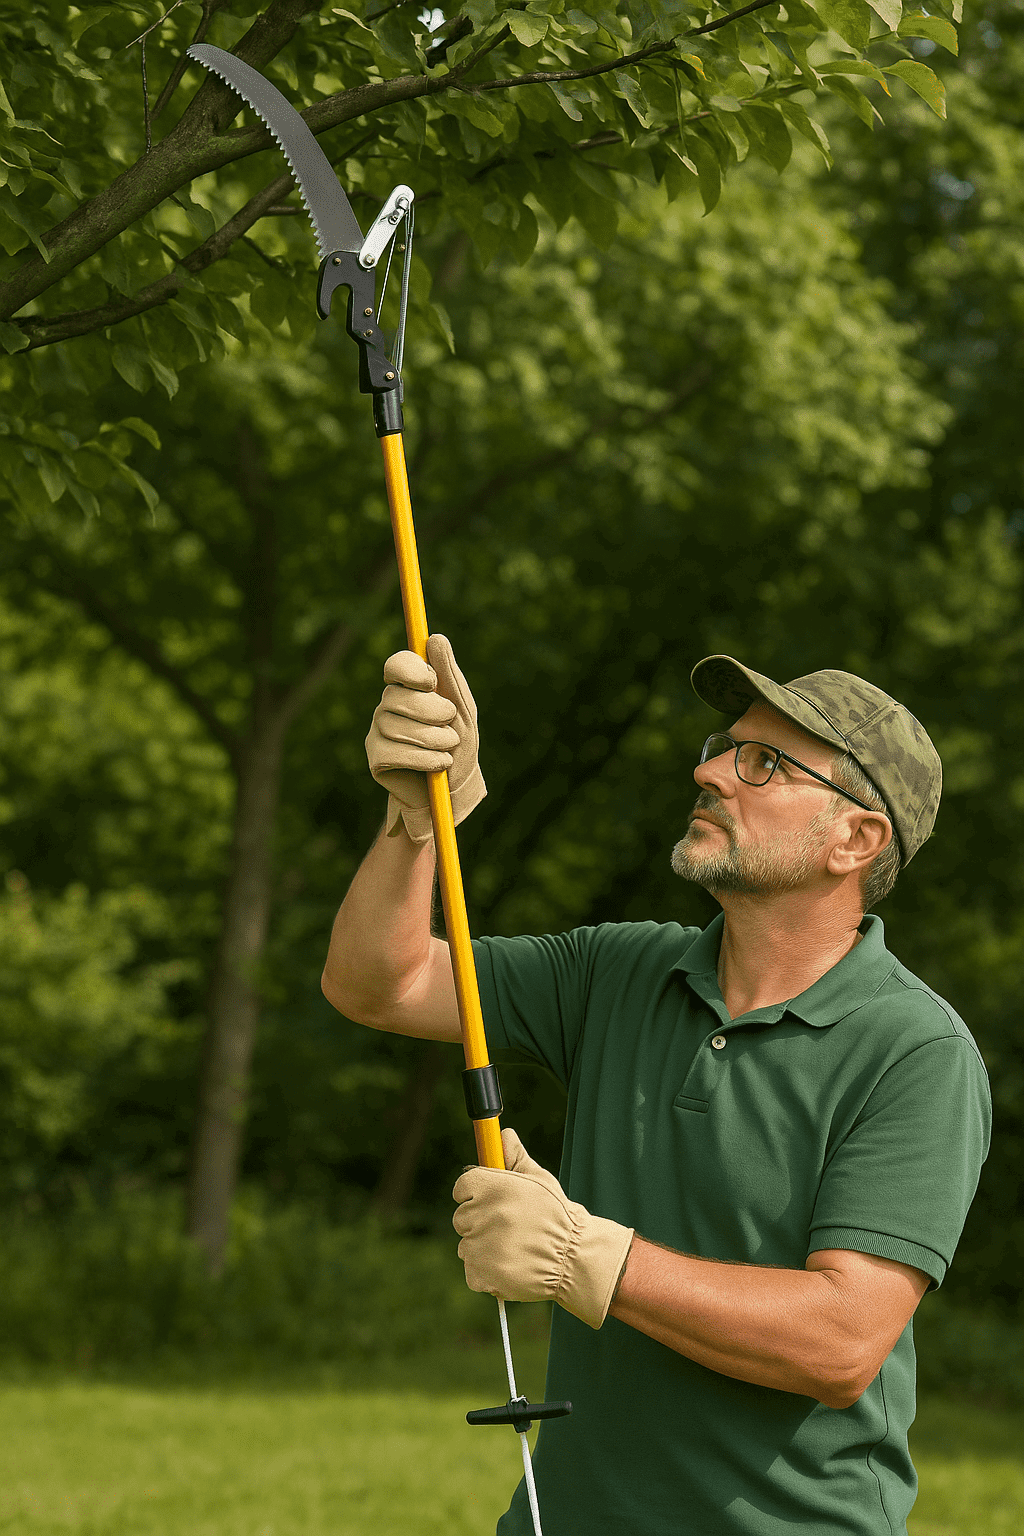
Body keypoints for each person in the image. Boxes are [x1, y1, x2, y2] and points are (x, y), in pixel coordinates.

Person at [322, 637, 991, 1536]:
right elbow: (379, 982)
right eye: (723, 745)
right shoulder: (618, 970)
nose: (709, 770)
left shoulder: (916, 1050)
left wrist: (584, 1256)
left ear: (856, 840)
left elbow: (840, 1343)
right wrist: (415, 823)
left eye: (763, 762)